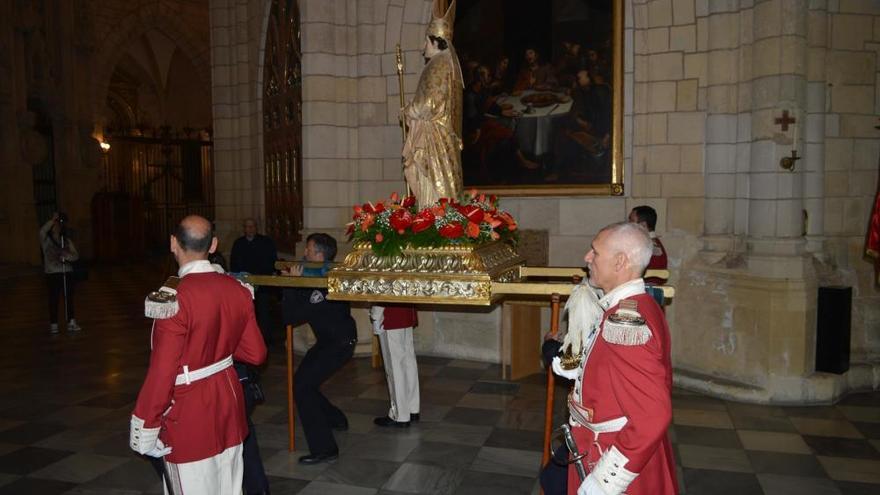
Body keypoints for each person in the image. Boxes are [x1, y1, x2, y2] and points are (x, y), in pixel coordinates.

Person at [130, 215, 267, 495]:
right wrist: (219, 345)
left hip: (189, 413)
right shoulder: (236, 289)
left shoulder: (174, 299)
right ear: (213, 244)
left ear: (173, 244)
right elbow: (255, 354)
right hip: (229, 404)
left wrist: (145, 425)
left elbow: (162, 372)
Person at [549, 222, 677, 495]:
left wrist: (605, 481)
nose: (587, 257)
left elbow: (653, 416)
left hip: (610, 453)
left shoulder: (626, 323)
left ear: (620, 262)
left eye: (595, 252)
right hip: (599, 443)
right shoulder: (631, 307)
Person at [281, 233, 356, 464]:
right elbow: (290, 314)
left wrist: (292, 286)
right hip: (327, 342)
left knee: (302, 387)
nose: (305, 253)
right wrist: (293, 284)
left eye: (310, 251)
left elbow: (290, 316)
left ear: (321, 256)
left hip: (340, 344)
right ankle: (336, 418)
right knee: (304, 384)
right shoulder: (312, 277)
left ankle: (325, 448)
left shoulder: (328, 279)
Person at [402, 0, 464, 207]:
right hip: (442, 136)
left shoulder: (438, 65)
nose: (423, 47)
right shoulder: (450, 64)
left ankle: (431, 220)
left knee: (433, 190)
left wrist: (408, 110)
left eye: (426, 41)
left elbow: (428, 105)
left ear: (437, 41)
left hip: (433, 141)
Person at [230, 218, 279, 346]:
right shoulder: (239, 243)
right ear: (244, 229)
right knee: (246, 311)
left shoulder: (265, 242)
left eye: (252, 226)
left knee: (263, 311)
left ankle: (264, 338)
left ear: (256, 228)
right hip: (245, 283)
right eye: (247, 226)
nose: (250, 229)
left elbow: (272, 260)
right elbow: (234, 263)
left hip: (262, 283)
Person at [370, 305, 420, 427]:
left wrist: (376, 315)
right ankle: (413, 408)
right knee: (408, 362)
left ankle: (399, 415)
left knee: (394, 365)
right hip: (406, 310)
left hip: (390, 314)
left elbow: (383, 289)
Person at [39, 212, 81, 333]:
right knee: (54, 299)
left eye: (59, 224)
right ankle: (54, 324)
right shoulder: (46, 240)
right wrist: (53, 220)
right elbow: (42, 231)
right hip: (52, 273)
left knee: (69, 298)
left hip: (66, 272)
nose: (58, 226)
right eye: (56, 225)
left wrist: (67, 256)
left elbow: (76, 256)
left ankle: (71, 322)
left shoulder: (66, 241)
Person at [628, 206, 667, 285]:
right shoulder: (649, 242)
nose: (628, 224)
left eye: (631, 221)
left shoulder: (646, 245)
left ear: (643, 225)